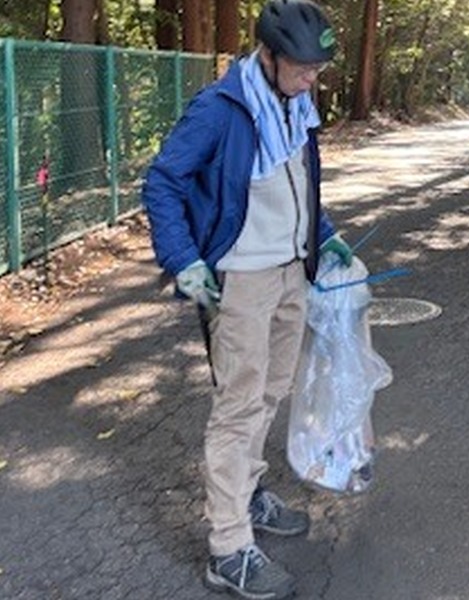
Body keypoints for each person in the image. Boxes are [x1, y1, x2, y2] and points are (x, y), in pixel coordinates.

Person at [141, 1, 352, 598]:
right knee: (238, 407)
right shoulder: (220, 109)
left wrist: (326, 234)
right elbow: (163, 182)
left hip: (291, 273)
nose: (314, 78)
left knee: (270, 391)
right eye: (305, 67)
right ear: (271, 54)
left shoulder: (295, 103)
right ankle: (228, 547)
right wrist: (183, 261)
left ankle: (248, 491)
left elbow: (298, 184)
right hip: (241, 281)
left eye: (319, 68)